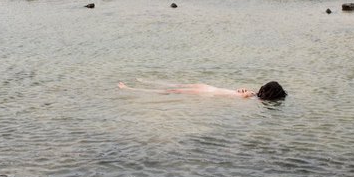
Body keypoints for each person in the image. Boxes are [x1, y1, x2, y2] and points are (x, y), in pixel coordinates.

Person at [118, 80, 287, 101]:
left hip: (208, 88)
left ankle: (139, 84)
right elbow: (239, 97)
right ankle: (130, 88)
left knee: (174, 88)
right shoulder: (251, 97)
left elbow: (239, 93)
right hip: (208, 92)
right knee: (172, 91)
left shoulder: (251, 94)